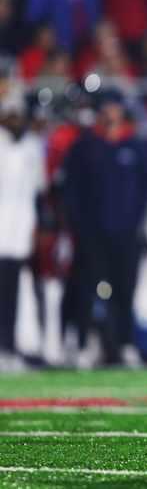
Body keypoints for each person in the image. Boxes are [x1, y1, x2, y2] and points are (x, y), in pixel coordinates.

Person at [61, 88, 147, 367]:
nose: (111, 113)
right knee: (88, 289)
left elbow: (145, 190)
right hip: (92, 232)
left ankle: (124, 344)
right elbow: (71, 190)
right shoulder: (85, 146)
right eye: (107, 107)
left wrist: (138, 224)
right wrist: (78, 225)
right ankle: (84, 343)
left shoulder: (134, 146)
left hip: (125, 232)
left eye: (115, 107)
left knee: (125, 290)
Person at [0, 68, 46, 372]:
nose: (16, 120)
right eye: (10, 115)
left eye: (19, 115)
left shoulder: (32, 146)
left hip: (18, 232)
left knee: (13, 292)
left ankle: (8, 346)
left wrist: (34, 227)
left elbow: (37, 190)